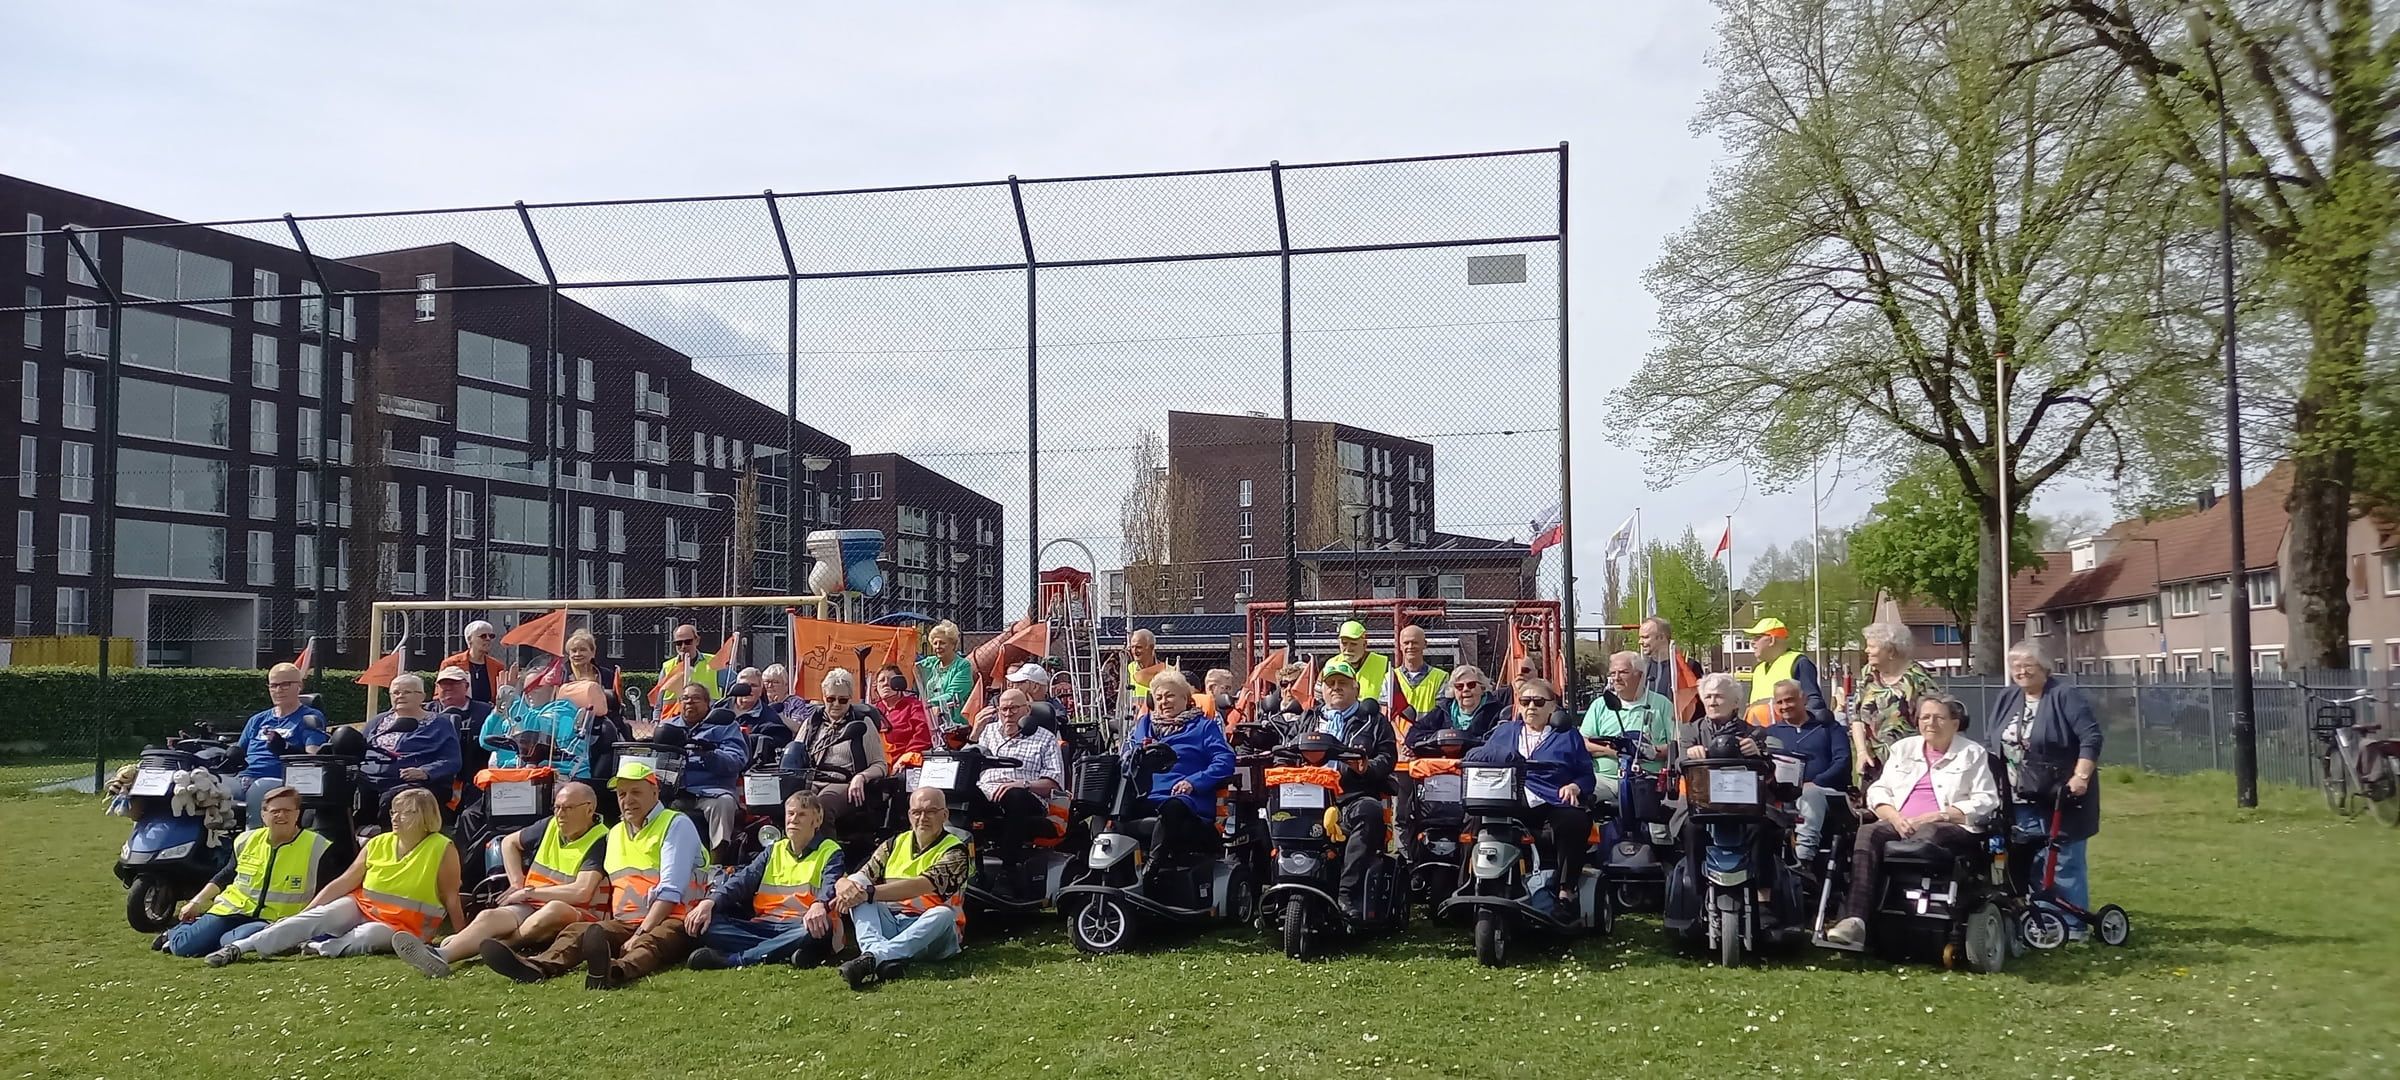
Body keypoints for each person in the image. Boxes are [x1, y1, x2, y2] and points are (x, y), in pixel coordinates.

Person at [483, 760, 707, 988]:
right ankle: (537, 966)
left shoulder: (675, 824)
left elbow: (670, 891)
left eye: (636, 792)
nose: (628, 800)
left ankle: (614, 972)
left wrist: (640, 932)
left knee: (650, 942)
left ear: (655, 792)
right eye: (622, 794)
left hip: (675, 920)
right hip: (625, 922)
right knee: (577, 931)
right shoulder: (616, 833)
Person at [206, 788, 464, 965]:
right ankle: (240, 947)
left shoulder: (441, 847)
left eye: (405, 813)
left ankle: (318, 947)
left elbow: (451, 897)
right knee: (317, 916)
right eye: (394, 812)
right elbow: (344, 882)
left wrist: (462, 937)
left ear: (424, 816)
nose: (396, 818)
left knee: (367, 936)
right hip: (363, 906)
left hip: (405, 927)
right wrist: (309, 909)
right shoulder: (378, 842)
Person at [1824, 696, 1999, 947]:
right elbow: (1879, 790)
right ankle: (1854, 921)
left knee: (1928, 833)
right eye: (1925, 717)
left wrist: (1940, 815)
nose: (1931, 723)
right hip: (1900, 821)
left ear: (1955, 723)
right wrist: (1894, 817)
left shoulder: (1972, 753)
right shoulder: (1903, 749)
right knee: (1867, 833)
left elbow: (1986, 799)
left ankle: (1912, 924)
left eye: (1939, 717)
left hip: (1950, 825)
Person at [390, 782, 609, 978]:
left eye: (568, 808)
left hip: (577, 913)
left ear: (589, 809)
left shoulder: (600, 839)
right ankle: (441, 954)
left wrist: (528, 892)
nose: (560, 814)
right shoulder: (551, 825)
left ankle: (493, 946)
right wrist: (516, 883)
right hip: (531, 903)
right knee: (489, 916)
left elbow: (582, 892)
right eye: (557, 807)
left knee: (552, 910)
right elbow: (508, 843)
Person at [1992, 640, 2102, 939]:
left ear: (2044, 668)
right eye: (2015, 666)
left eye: (2028, 665)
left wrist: (2081, 777)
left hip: (2060, 795)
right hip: (2018, 796)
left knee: (2064, 859)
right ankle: (2040, 921)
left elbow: (2091, 738)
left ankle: (2073, 925)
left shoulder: (2064, 695)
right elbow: (1994, 739)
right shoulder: (2008, 697)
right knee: (2031, 858)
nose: (2021, 671)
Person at [1462, 677, 1595, 921]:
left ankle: (1565, 892)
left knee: (1574, 820)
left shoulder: (1568, 735)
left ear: (1552, 706)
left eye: (1538, 701)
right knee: (1473, 818)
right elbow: (1477, 755)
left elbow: (1587, 775)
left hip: (1551, 799)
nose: (1531, 706)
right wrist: (1503, 756)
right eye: (1525, 701)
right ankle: (1469, 884)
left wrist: (1575, 786)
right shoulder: (1505, 731)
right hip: (1511, 798)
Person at [159, 786, 334, 957]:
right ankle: (176, 933)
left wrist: (302, 921)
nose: (281, 815)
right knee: (182, 947)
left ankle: (213, 938)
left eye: (287, 811)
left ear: (297, 814)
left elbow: (327, 891)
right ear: (264, 815)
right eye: (275, 811)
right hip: (231, 910)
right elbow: (226, 875)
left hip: (272, 919)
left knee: (231, 941)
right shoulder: (246, 840)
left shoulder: (318, 846)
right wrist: (196, 902)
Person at [1284, 658, 1399, 916]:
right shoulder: (1309, 719)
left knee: (1369, 812)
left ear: (1356, 688)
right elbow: (1286, 752)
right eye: (1331, 683)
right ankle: (1287, 888)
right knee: (1275, 810)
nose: (1336, 687)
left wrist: (1366, 768)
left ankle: (1347, 894)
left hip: (1352, 795)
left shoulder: (1373, 721)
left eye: (1343, 683)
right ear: (1322, 689)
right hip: (1308, 794)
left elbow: (1387, 757)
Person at [832, 786, 973, 990]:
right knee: (856, 881)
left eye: (931, 811)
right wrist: (842, 884)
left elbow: (920, 885)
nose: (923, 817)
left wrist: (867, 893)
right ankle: (878, 957)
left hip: (934, 934)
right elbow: (863, 876)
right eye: (917, 812)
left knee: (943, 913)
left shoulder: (956, 851)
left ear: (945, 815)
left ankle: (874, 956)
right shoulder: (894, 844)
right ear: (909, 815)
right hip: (894, 924)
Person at [685, 793, 846, 970]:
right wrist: (710, 902)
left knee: (813, 931)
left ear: (817, 821)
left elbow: (830, 884)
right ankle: (784, 950)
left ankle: (736, 959)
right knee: (707, 925)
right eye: (790, 814)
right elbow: (743, 879)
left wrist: (819, 904)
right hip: (764, 924)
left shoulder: (830, 851)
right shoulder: (774, 850)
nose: (793, 820)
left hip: (802, 924)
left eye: (802, 815)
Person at [1120, 671, 1237, 864]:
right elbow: (1125, 757)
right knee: (1103, 808)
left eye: (1170, 696)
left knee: (1173, 807)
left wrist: (1193, 782)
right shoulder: (1144, 725)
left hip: (1187, 802)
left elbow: (1225, 760)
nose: (1164, 702)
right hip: (1145, 796)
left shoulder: (1203, 726)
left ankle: (1152, 868)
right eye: (1159, 697)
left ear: (1185, 698)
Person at [1758, 678, 1851, 864]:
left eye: (1789, 700)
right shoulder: (1769, 734)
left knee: (1810, 794)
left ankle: (1803, 859)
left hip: (1825, 792)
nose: (1784, 706)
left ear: (1804, 699)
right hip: (1782, 794)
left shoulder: (1828, 728)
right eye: (1779, 702)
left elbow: (1843, 761)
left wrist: (1815, 783)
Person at [785, 670, 890, 829]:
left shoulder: (862, 723)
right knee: (794, 803)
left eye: (842, 700)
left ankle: (827, 845)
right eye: (830, 699)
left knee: (821, 806)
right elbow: (796, 753)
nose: (836, 704)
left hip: (844, 783)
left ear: (850, 699)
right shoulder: (812, 722)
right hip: (812, 780)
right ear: (823, 697)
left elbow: (880, 765)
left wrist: (861, 777)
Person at [974, 688, 1067, 864]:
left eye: (1014, 708)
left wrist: (1022, 784)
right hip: (987, 793)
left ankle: (1008, 867)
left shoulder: (1045, 738)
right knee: (955, 793)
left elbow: (1053, 784)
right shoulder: (987, 731)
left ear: (1028, 709)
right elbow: (970, 761)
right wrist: (974, 734)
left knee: (1014, 795)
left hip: (1025, 795)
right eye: (1004, 709)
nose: (1008, 714)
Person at [229, 664, 329, 825]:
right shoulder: (258, 719)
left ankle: (256, 837)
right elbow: (238, 752)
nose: (278, 690)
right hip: (245, 777)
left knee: (259, 788)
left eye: (285, 684)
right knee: (206, 788)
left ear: (299, 686)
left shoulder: (309, 717)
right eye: (273, 685)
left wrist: (284, 749)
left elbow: (313, 759)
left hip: (280, 780)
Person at [361, 673, 462, 827]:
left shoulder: (440, 724)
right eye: (395, 692)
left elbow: (452, 761)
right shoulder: (377, 722)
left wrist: (425, 771)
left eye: (407, 692)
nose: (400, 696)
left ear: (422, 696)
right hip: (370, 779)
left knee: (393, 799)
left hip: (412, 784)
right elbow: (359, 748)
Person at [1849, 622, 1938, 786]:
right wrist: (1861, 752)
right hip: (1873, 764)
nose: (1866, 650)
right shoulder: (1868, 675)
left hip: (1909, 764)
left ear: (1890, 651)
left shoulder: (1917, 678)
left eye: (1872, 647)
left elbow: (1935, 720)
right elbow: (1857, 717)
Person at [1579, 652, 1676, 802]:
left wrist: (1648, 752)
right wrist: (1615, 752)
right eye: (1613, 673)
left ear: (1640, 675)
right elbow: (1583, 743)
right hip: (1605, 780)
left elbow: (1676, 746)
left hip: (1648, 781)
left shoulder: (1662, 705)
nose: (1616, 678)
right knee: (1575, 796)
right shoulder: (1600, 705)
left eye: (1623, 672)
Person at [674, 683, 751, 860]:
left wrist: (709, 754)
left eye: (696, 698)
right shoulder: (669, 727)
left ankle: (717, 861)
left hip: (713, 791)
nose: (689, 702)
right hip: (677, 791)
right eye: (685, 698)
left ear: (708, 703)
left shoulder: (724, 726)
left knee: (724, 803)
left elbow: (737, 760)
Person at [483, 667, 586, 778]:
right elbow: (485, 742)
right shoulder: (517, 712)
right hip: (513, 775)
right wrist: (499, 711)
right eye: (526, 688)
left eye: (536, 686)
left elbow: (534, 730)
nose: (529, 692)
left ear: (554, 688)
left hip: (560, 776)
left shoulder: (563, 709)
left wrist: (510, 697)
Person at [1739, 618, 1832, 728]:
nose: (1752, 642)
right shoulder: (1758, 670)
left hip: (1787, 734)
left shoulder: (1798, 662)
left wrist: (1803, 731)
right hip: (1758, 735)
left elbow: (1813, 703)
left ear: (1772, 639)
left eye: (1757, 637)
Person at [432, 667, 498, 806]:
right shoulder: (426, 712)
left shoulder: (486, 711)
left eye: (454, 683)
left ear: (466, 686)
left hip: (475, 779)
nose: (448, 688)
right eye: (443, 684)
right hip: (437, 779)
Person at [1406, 664, 1504, 746]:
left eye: (1471, 685)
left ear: (1482, 688)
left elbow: (1499, 741)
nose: (1465, 689)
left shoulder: (1496, 711)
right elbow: (1413, 735)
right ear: (1454, 691)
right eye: (1459, 686)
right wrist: (1438, 740)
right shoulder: (1443, 710)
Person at [1638, 616, 1704, 722]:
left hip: (1680, 727)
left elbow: (1700, 705)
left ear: (1661, 637)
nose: (1640, 642)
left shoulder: (1688, 667)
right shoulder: (1642, 667)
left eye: (1645, 637)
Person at [916, 621, 975, 729]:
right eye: (935, 643)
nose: (938, 647)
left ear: (953, 645)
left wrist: (925, 705)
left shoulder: (963, 666)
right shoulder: (931, 663)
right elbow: (908, 666)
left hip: (956, 724)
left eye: (942, 643)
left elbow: (953, 695)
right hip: (931, 722)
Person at [1323, 621, 1393, 705]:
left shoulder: (1383, 664)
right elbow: (1319, 697)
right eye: (1344, 643)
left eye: (1353, 644)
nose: (1348, 649)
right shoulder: (1331, 664)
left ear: (1364, 644)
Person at [1390, 624, 1450, 722]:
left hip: (1429, 730)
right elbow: (1386, 712)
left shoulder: (1441, 677)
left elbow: (1441, 713)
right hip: (1398, 732)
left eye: (1415, 642)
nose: (1410, 646)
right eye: (1406, 643)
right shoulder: (1391, 677)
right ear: (1400, 646)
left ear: (1425, 644)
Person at [658, 623, 719, 718]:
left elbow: (732, 686)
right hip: (673, 719)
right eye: (679, 643)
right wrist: (656, 719)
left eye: (688, 642)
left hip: (707, 719)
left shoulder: (714, 662)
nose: (683, 646)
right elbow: (659, 699)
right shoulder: (667, 667)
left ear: (697, 640)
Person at [874, 663, 934, 758]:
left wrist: (905, 758)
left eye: (890, 680)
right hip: (877, 762)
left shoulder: (914, 706)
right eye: (881, 680)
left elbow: (923, 734)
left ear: (900, 683)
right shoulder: (872, 710)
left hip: (904, 762)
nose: (885, 683)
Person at [440, 621, 507, 706]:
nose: (488, 639)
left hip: (489, 712)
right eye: (483, 636)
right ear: (469, 639)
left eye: (491, 636)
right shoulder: (451, 664)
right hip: (459, 711)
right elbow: (439, 694)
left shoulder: (497, 666)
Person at [1125, 628, 1163, 713]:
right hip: (1135, 716)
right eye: (1132, 647)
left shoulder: (1165, 671)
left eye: (1139, 647)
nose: (1134, 651)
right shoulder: (1129, 668)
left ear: (1151, 648)